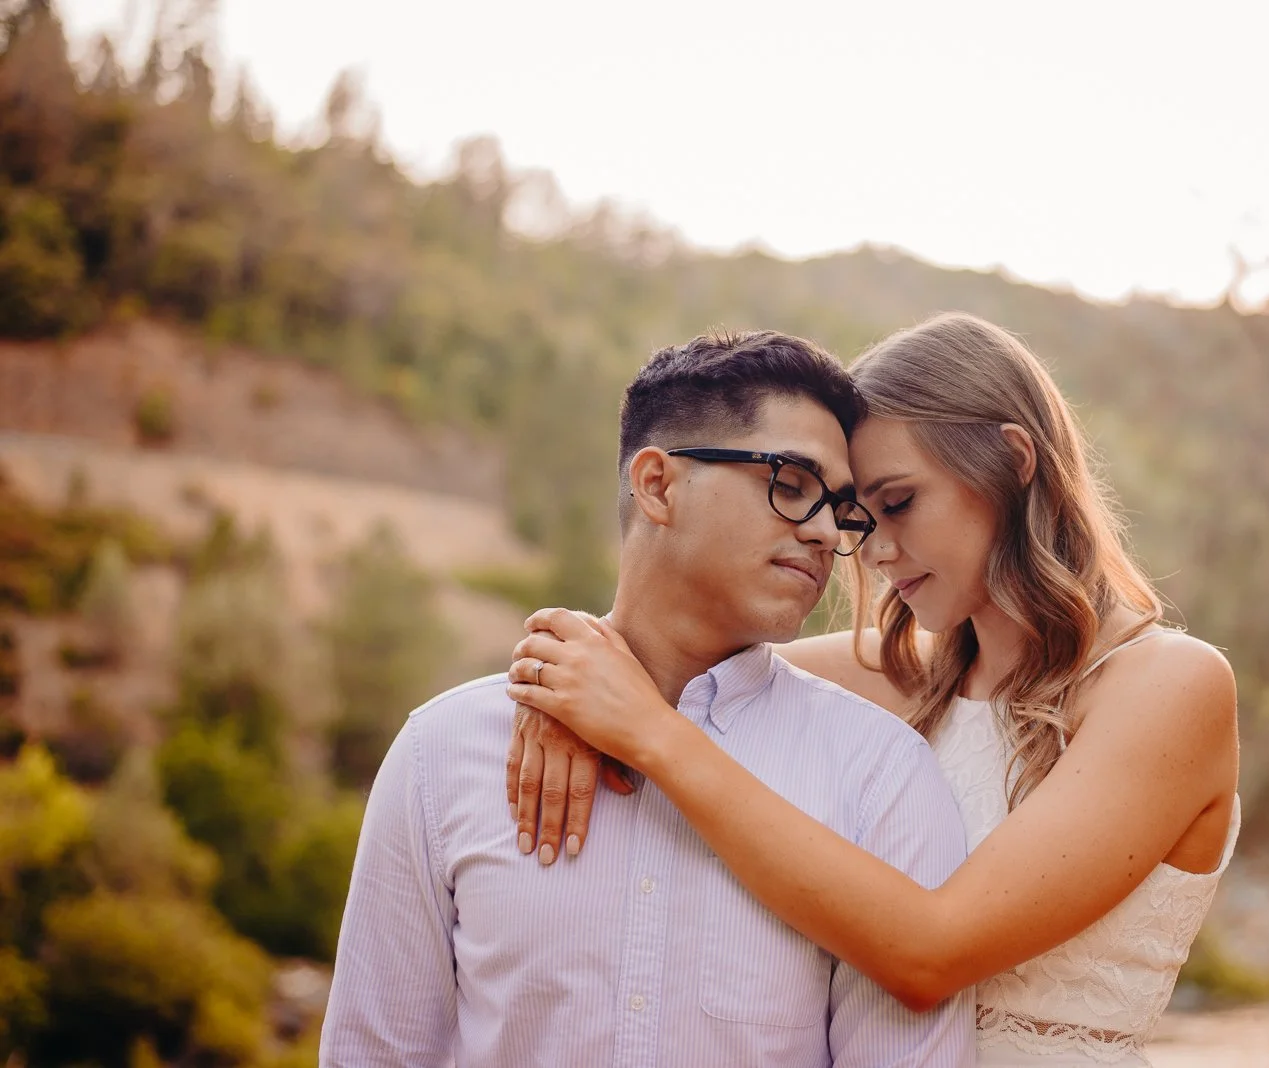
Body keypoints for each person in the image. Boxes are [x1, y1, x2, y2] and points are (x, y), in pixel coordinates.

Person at [506, 312, 1241, 1067]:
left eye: (899, 503)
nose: (876, 550)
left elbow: (932, 953)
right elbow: (664, 658)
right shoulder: (903, 675)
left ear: (1013, 460)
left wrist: (651, 736)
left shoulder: (1168, 685)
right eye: (859, 515)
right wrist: (558, 676)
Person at [322, 331, 975, 1067]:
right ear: (658, 485)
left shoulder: (879, 774)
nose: (826, 531)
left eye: (842, 509)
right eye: (791, 484)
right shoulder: (442, 753)